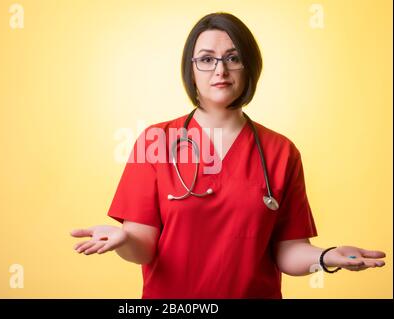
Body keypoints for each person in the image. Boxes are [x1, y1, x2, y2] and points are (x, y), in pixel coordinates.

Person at [70, 12, 386, 298]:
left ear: (250, 66)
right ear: (190, 69)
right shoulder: (156, 141)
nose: (220, 70)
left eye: (233, 58)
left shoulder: (280, 152)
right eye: (206, 59)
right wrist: (122, 239)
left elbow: (288, 251)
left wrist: (325, 257)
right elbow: (143, 248)